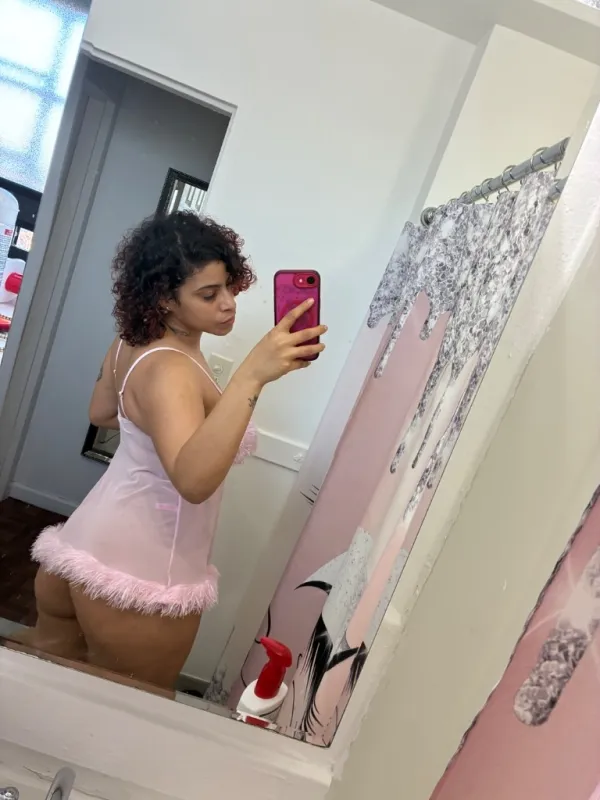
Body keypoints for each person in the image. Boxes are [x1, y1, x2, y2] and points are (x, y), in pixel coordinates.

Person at [22, 212, 326, 690]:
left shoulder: (132, 342)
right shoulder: (173, 369)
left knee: (43, 686)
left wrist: (158, 430)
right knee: (134, 712)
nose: (228, 304)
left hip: (80, 546)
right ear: (165, 299)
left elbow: (103, 411)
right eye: (208, 294)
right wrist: (252, 375)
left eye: (229, 287)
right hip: (143, 571)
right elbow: (193, 481)